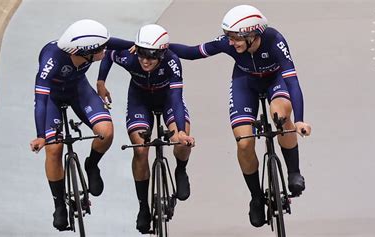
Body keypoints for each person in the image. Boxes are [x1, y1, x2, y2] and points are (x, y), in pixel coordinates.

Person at [168, 5, 312, 228]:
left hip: (275, 81)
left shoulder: (275, 40)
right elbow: (192, 52)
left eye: (235, 38)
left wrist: (300, 119)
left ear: (251, 34)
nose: (231, 43)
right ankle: (256, 198)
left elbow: (292, 81)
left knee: (280, 116)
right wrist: (159, 48)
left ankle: (294, 171)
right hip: (245, 83)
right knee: (244, 143)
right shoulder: (229, 43)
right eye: (229, 37)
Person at [29, 19, 134, 231]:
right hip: (52, 99)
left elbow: (112, 42)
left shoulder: (87, 48)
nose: (106, 49)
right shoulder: (51, 60)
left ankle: (91, 165)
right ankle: (59, 204)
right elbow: (40, 101)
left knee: (106, 132)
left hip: (78, 90)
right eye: (101, 48)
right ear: (85, 51)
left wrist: (140, 45)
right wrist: (41, 135)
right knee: (54, 148)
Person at [97, 24, 195, 234]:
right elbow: (107, 52)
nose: (145, 60)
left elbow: (177, 99)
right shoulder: (129, 56)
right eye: (142, 54)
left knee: (181, 138)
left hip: (168, 99)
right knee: (140, 150)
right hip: (139, 100)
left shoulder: (172, 61)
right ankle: (143, 207)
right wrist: (101, 81)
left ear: (162, 53)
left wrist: (181, 131)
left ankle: (181, 169)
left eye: (151, 56)